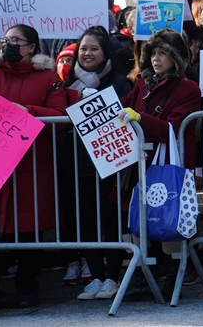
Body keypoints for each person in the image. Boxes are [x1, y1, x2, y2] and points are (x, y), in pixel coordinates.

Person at [118, 28, 202, 300]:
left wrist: (140, 120)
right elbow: (125, 106)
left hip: (170, 165)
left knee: (169, 219)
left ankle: (172, 278)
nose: (156, 59)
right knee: (141, 220)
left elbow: (174, 126)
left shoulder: (189, 88)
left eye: (163, 53)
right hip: (140, 162)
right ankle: (144, 277)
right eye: (153, 53)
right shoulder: (142, 83)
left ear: (176, 56)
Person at [0, 24, 68, 310]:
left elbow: (61, 117)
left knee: (29, 229)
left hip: (32, 167)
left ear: (33, 47)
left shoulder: (48, 78)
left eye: (16, 41)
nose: (9, 45)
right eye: (6, 40)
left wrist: (30, 112)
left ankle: (28, 286)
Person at [58, 27, 133, 301]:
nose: (87, 54)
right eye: (83, 49)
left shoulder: (120, 82)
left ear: (105, 52)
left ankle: (112, 277)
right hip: (77, 164)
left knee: (110, 220)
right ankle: (96, 277)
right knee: (85, 220)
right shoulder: (68, 84)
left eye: (93, 49)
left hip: (110, 164)